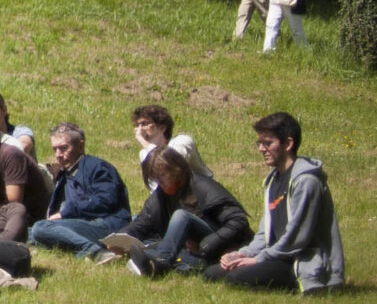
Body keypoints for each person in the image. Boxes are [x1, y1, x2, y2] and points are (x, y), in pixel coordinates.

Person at [205, 112, 345, 293]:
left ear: (288, 144)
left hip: (302, 261)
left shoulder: (306, 182)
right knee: (212, 274)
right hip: (278, 255)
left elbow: (296, 239)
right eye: (259, 143)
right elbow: (265, 233)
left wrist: (258, 259)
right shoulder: (273, 180)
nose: (261, 149)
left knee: (236, 279)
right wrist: (243, 253)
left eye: (267, 143)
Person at [105, 147, 251, 278]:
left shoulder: (202, 186)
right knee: (152, 244)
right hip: (189, 250)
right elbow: (142, 223)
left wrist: (207, 244)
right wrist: (119, 240)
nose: (159, 184)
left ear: (177, 171)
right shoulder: (160, 196)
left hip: (217, 247)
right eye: (155, 179)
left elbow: (238, 221)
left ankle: (159, 262)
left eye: (161, 178)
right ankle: (170, 264)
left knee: (181, 216)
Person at [27, 122, 131, 259]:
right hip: (76, 224)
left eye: (63, 148)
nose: (58, 154)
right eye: (55, 149)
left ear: (80, 146)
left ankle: (93, 252)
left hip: (105, 225)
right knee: (26, 232)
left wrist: (67, 212)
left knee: (41, 228)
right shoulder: (65, 174)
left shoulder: (98, 167)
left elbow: (106, 201)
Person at [132, 103, 210, 190]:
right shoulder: (144, 153)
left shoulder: (182, 142)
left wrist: (141, 140)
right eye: (136, 125)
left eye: (144, 124)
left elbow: (170, 167)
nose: (139, 130)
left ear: (162, 127)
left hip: (200, 194)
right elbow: (154, 188)